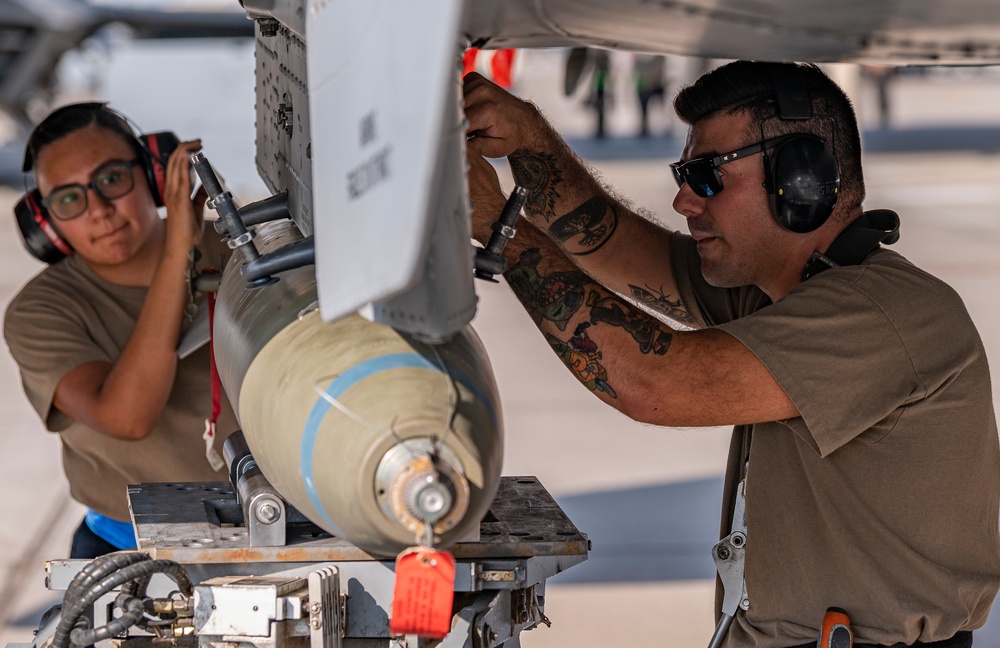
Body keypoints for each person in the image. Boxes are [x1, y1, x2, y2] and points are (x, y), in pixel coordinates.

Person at [463, 61, 1000, 647]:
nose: (683, 200)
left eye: (708, 175)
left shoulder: (881, 316)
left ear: (802, 179)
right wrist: (527, 136)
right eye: (683, 173)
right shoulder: (778, 291)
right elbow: (613, 241)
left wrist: (502, 230)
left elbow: (652, 383)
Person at [4, 103, 238, 559]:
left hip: (281, 528)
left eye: (112, 179)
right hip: (128, 551)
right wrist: (177, 254)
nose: (99, 211)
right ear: (46, 222)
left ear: (151, 174)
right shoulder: (40, 311)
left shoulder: (236, 250)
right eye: (69, 199)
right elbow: (127, 417)